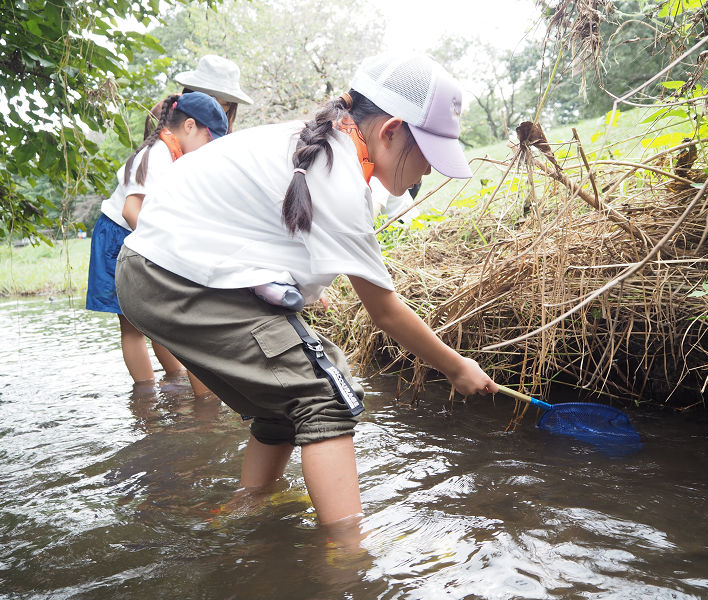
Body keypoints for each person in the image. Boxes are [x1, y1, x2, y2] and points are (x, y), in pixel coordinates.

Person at [115, 53, 497, 530]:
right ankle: (346, 560)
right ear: (391, 131)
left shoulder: (316, 147)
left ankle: (246, 509)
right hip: (171, 277)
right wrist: (458, 367)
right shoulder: (337, 174)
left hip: (159, 271)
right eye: (428, 156)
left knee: (286, 395)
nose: (427, 173)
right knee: (327, 397)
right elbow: (386, 313)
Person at [86, 92, 229, 386]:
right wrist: (166, 249)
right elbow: (130, 210)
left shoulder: (174, 152)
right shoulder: (157, 154)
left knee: (159, 321)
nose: (208, 149)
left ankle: (175, 381)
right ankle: (146, 395)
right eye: (209, 139)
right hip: (119, 236)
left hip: (141, 236)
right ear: (189, 126)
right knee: (132, 326)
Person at [144, 55, 252, 138]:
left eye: (225, 105)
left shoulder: (223, 125)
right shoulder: (164, 113)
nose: (218, 111)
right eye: (213, 101)